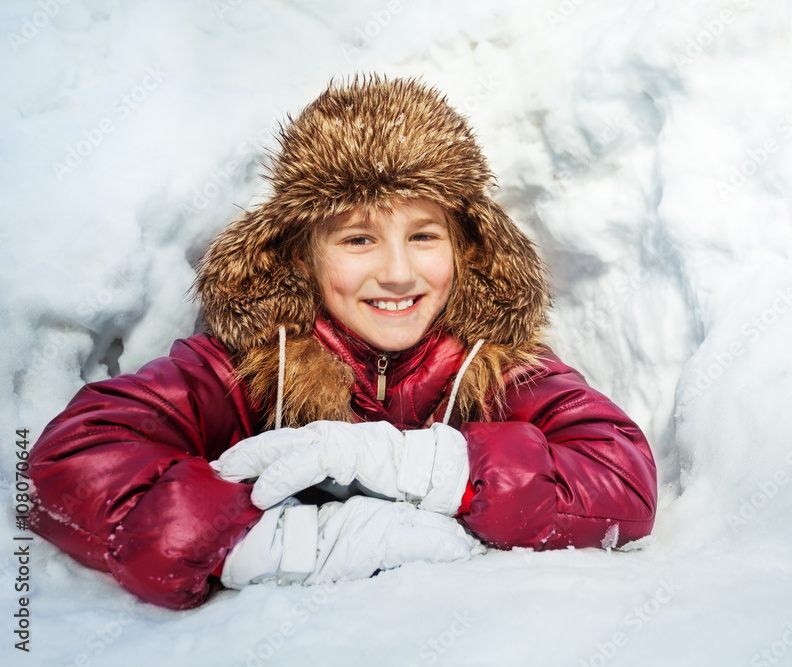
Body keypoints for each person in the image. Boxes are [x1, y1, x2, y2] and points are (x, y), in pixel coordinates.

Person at [27, 76, 658, 610]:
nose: (397, 273)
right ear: (302, 258)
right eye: (358, 239)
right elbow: (71, 460)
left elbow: (620, 479)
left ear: (467, 249)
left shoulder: (496, 368)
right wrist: (266, 539)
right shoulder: (246, 366)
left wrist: (425, 467)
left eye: (424, 237)